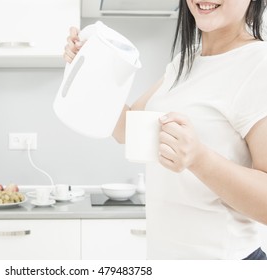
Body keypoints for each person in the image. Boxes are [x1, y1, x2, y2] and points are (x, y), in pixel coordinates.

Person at [64, 0, 267, 259]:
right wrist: (89, 68)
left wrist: (199, 159)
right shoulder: (185, 60)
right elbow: (127, 130)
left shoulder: (259, 63)